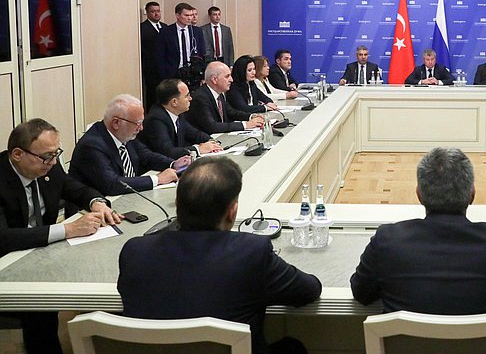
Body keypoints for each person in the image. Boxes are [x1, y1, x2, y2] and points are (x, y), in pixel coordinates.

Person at [118, 156, 322, 354]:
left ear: (178, 206)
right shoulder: (251, 252)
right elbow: (309, 290)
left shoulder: (134, 252)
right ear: (232, 212)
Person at [351, 147, 486, 314]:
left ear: (418, 195)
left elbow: (362, 293)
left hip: (407, 347)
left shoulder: (388, 241)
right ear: (472, 195)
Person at [1, 119, 121, 354]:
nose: (54, 162)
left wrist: (96, 203)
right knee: (38, 306)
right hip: (7, 265)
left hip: (39, 255)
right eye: (47, 156)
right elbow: (3, 238)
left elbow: (76, 188)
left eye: (56, 154)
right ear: (17, 154)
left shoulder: (48, 166)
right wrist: (68, 230)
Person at [68, 95, 187, 202]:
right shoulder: (91, 146)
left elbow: (147, 156)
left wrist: (173, 164)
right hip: (96, 208)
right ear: (116, 123)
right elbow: (112, 184)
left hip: (127, 199)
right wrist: (157, 179)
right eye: (137, 123)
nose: (141, 128)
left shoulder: (124, 134)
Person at [138, 79, 222, 159]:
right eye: (187, 96)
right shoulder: (156, 120)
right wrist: (198, 149)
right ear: (174, 102)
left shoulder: (178, 113)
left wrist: (212, 142)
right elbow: (167, 151)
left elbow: (194, 133)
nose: (190, 98)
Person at [186, 61, 265, 134]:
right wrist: (245, 125)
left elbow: (231, 112)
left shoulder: (218, 93)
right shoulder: (200, 98)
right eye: (227, 76)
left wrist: (250, 116)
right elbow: (212, 126)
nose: (231, 80)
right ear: (214, 79)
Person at [157, 2, 205, 80]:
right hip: (173, 73)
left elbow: (202, 52)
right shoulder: (166, 32)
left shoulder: (197, 31)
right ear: (177, 15)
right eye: (186, 15)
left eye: (191, 15)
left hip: (193, 73)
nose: (189, 18)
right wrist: (163, 75)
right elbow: (160, 56)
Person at [140, 1, 167, 111]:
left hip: (165, 69)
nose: (156, 14)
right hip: (151, 70)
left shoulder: (165, 27)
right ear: (147, 13)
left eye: (158, 11)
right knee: (152, 97)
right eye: (153, 12)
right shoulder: (142, 28)